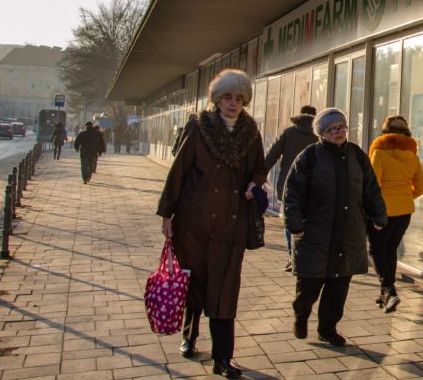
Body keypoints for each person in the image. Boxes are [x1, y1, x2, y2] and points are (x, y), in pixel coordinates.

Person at [156, 69, 267, 379]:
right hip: (194, 223)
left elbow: (260, 168)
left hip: (231, 226)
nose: (233, 103)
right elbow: (178, 172)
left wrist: (254, 183)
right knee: (195, 282)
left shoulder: (250, 132)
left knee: (225, 290)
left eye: (239, 98)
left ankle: (223, 358)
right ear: (217, 100)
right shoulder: (199, 128)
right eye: (227, 97)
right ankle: (189, 336)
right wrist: (167, 214)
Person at [283, 108, 387, 346]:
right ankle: (301, 315)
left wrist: (378, 215)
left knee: (338, 287)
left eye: (341, 127)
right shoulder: (309, 157)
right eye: (332, 129)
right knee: (309, 285)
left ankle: (327, 329)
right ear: (322, 133)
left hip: (348, 233)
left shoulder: (357, 155)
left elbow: (370, 188)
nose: (339, 132)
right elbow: (293, 193)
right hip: (315, 233)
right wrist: (295, 224)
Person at [368, 114, 423, 312]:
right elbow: (420, 187)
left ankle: (389, 290)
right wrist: (405, 196)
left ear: (385, 132)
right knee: (390, 250)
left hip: (382, 211)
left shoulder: (379, 153)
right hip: (405, 211)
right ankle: (385, 294)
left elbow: (372, 184)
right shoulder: (412, 156)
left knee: (376, 250)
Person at [263, 104, 318, 272]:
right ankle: (309, 256)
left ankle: (292, 256)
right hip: (314, 185)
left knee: (290, 220)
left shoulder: (289, 133)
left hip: (289, 183)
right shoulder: (319, 134)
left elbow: (272, 155)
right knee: (312, 220)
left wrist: (259, 175)